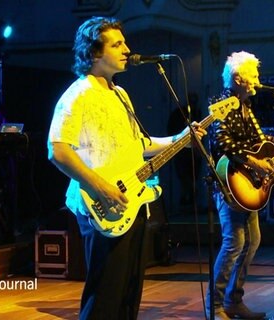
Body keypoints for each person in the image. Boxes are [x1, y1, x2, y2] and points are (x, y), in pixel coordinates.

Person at [47, 17, 205, 320]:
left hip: (132, 202)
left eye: (124, 42)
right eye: (117, 44)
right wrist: (99, 186)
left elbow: (141, 145)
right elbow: (57, 150)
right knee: (106, 292)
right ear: (94, 53)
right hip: (101, 203)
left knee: (129, 291)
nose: (127, 49)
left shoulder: (120, 94)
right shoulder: (78, 94)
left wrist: (180, 140)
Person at [206, 51, 274, 319]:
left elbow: (260, 138)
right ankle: (215, 306)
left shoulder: (246, 106)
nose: (257, 80)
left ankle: (234, 300)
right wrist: (254, 163)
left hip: (248, 186)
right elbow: (222, 143)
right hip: (228, 185)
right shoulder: (222, 103)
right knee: (234, 243)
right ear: (238, 78)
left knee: (252, 240)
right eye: (253, 75)